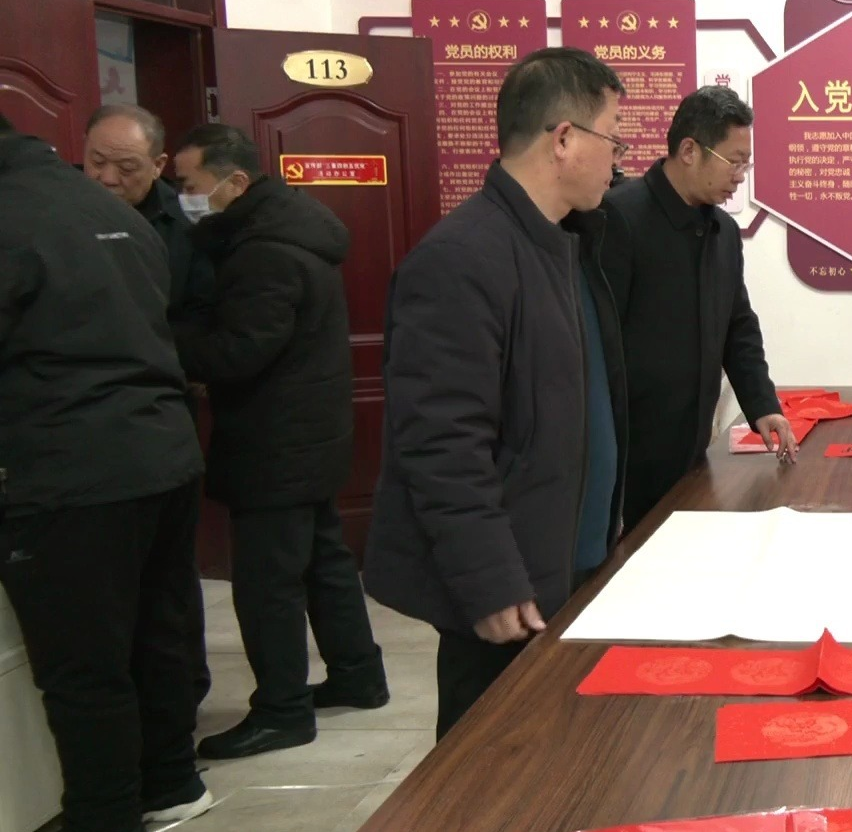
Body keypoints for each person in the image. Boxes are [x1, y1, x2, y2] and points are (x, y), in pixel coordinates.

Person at [364, 47, 630, 738]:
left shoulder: (562, 245)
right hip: (510, 586)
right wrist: (488, 578)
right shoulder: (462, 258)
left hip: (567, 562)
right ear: (564, 138)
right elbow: (441, 442)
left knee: (560, 753)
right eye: (613, 138)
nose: (618, 159)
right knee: (490, 762)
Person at [0, 118, 214, 832]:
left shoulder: (12, 214)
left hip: (72, 468)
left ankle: (103, 814)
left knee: (83, 665)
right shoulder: (103, 208)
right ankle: (172, 781)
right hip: (163, 451)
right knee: (158, 632)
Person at [169, 123, 388, 758]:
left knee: (267, 583)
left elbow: (240, 351)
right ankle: (358, 674)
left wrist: (169, 343)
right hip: (309, 432)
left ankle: (282, 710)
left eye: (190, 184)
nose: (183, 196)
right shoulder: (292, 229)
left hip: (275, 441)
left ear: (235, 181)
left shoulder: (263, 251)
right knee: (323, 560)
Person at [601, 85, 791, 530]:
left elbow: (738, 326)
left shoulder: (723, 231)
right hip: (625, 456)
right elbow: (598, 343)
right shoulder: (618, 218)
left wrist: (762, 405)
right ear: (689, 151)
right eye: (734, 161)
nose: (740, 176)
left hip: (691, 450)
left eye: (746, 164)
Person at [81, 104, 215, 325]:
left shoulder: (186, 224)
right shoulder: (55, 207)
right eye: (97, 162)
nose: (107, 178)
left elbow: (200, 314)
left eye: (126, 167)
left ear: (158, 165)